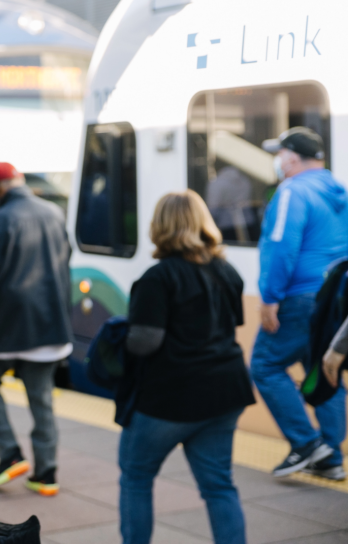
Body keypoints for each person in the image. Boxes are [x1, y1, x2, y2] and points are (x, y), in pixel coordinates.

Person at [122, 190, 254, 544]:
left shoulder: (158, 278)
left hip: (171, 398)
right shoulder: (226, 271)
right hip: (225, 392)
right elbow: (232, 325)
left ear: (160, 226)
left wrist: (121, 335)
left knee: (136, 476)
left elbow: (144, 342)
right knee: (218, 485)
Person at [0, 162, 72, 495]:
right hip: (50, 325)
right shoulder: (54, 213)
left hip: (5, 327)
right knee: (41, 398)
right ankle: (46, 473)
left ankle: (10, 454)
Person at [252, 127, 348, 480]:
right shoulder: (340, 191)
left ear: (291, 157)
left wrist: (270, 297)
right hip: (334, 299)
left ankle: (307, 445)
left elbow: (281, 246)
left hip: (299, 297)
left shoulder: (292, 191)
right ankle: (331, 456)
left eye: (280, 154)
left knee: (264, 366)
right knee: (325, 368)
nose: (278, 161)